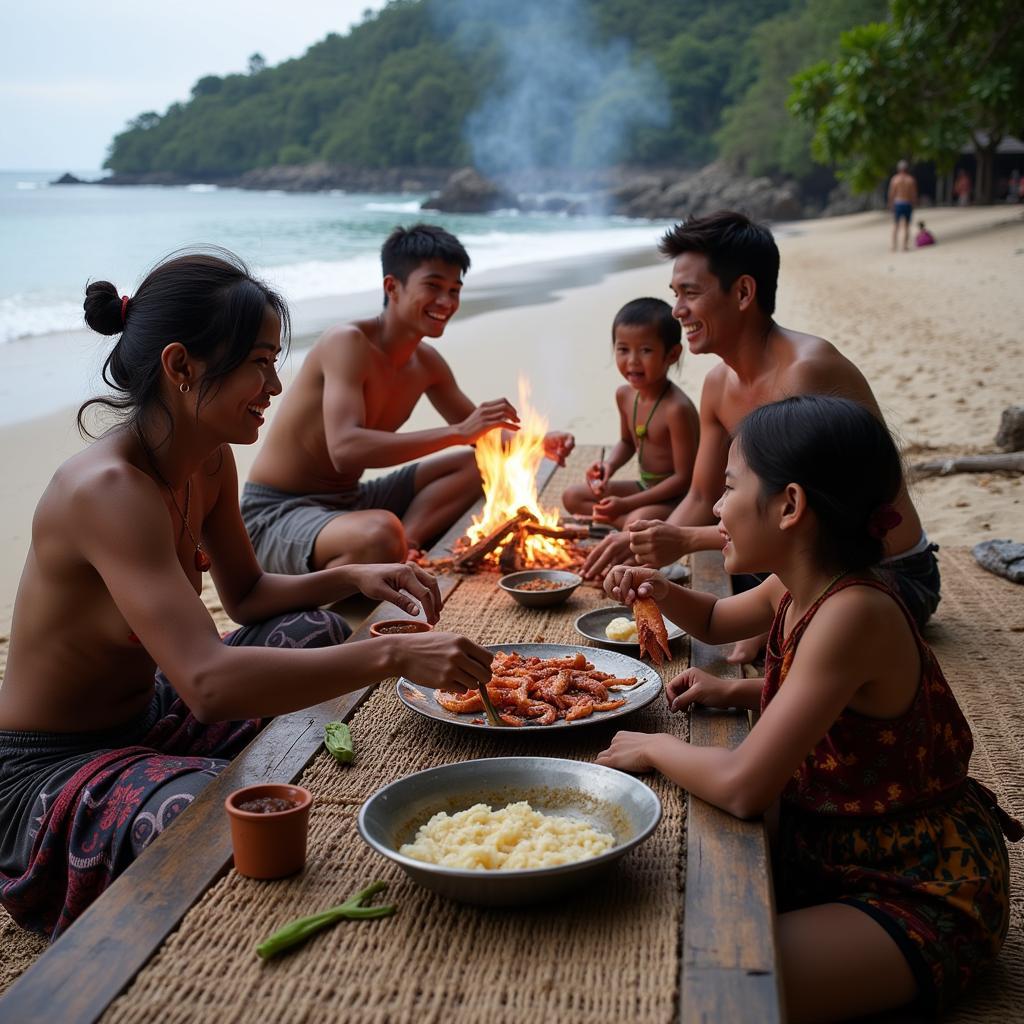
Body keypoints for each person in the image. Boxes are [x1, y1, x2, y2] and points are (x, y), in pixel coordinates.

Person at [0, 249, 494, 940]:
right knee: (219, 808)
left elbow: (250, 595)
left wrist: (349, 578)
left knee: (317, 627)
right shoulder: (108, 491)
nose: (275, 383)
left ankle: (179, 765)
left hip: (148, 714)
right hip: (48, 773)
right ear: (180, 366)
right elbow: (206, 683)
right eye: (259, 363)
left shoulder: (207, 460)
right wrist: (392, 659)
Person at [598, 396, 1019, 1023]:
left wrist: (654, 746)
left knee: (720, 983)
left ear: (791, 505)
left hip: (919, 886)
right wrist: (664, 591)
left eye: (731, 487)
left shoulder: (855, 611)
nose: (716, 508)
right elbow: (715, 619)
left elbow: (743, 786)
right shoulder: (801, 580)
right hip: (835, 849)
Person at [581, 211, 939, 663]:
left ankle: (774, 619)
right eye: (675, 294)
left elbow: (817, 527)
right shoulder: (716, 384)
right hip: (791, 561)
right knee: (703, 593)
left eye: (691, 293)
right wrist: (644, 551)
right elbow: (699, 494)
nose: (676, 310)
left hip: (885, 572)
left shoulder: (807, 372)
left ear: (744, 292)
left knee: (734, 616)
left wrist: (689, 542)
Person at [242, 223, 574, 573]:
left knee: (479, 463)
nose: (446, 302)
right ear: (392, 287)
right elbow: (346, 450)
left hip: (349, 501)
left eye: (454, 290)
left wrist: (537, 443)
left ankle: (407, 547)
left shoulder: (426, 363)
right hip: (279, 513)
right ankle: (391, 546)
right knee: (381, 532)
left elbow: (485, 440)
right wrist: (460, 433)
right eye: (433, 286)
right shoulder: (347, 342)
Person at [561, 297, 699, 529]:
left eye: (645, 350)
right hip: (644, 487)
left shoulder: (677, 409)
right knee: (571, 496)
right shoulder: (624, 395)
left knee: (635, 520)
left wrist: (625, 504)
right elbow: (627, 442)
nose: (632, 361)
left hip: (676, 499)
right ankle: (627, 527)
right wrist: (609, 467)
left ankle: (627, 525)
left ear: (672, 354)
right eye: (623, 350)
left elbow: (684, 480)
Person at [887, 160, 917, 252]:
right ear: (906, 169)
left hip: (898, 203)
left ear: (898, 169)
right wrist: (914, 203)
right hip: (907, 203)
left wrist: (890, 203)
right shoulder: (910, 180)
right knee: (906, 226)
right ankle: (904, 246)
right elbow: (913, 194)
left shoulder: (895, 179)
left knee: (896, 225)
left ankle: (894, 246)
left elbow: (891, 193)